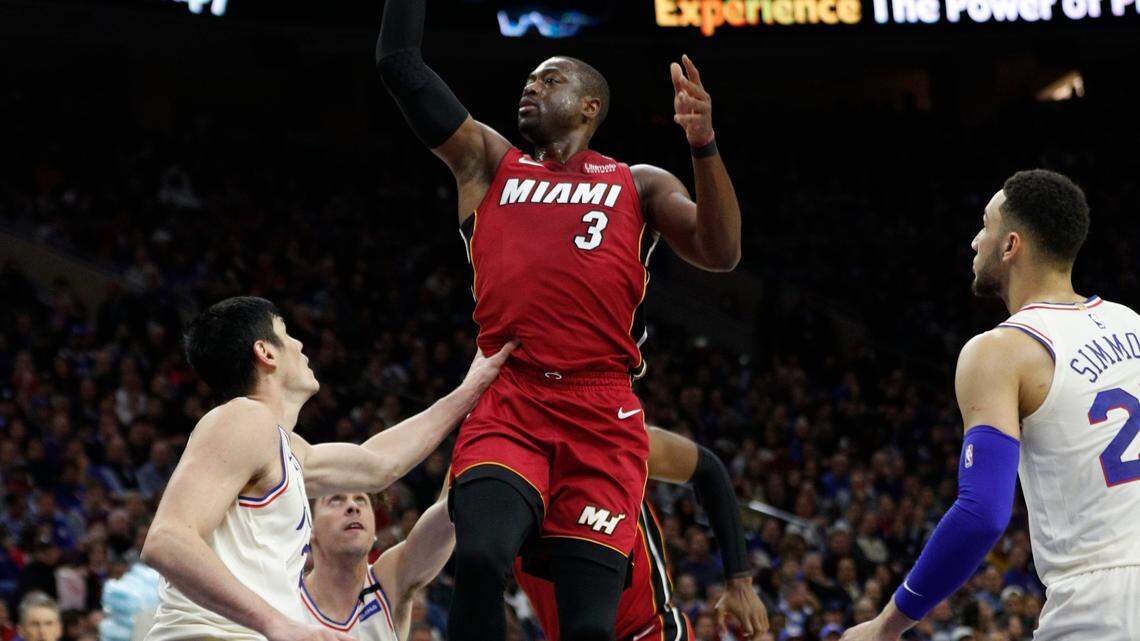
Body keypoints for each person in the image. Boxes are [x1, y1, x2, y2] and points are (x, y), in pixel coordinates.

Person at [376, 1, 743, 639]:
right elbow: (400, 64)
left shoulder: (638, 182)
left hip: (601, 412)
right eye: (529, 79)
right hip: (509, 394)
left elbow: (721, 252)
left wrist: (702, 144)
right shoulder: (489, 163)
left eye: (551, 79)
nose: (531, 86)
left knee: (589, 630)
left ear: (589, 106)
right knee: (484, 556)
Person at [842, 169, 1140, 640]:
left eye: (985, 225)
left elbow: (982, 513)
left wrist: (886, 626)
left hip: (1104, 605)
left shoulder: (1000, 351)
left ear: (1011, 246)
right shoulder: (1130, 322)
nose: (974, 241)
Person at [140, 297, 514, 641]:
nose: (301, 346)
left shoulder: (284, 446)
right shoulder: (243, 418)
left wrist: (470, 391)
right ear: (265, 352)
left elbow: (379, 464)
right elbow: (167, 539)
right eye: (288, 335)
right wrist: (277, 623)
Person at [301, 427, 766, 641]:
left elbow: (707, 469)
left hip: (651, 631)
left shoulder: (615, 433)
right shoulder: (493, 463)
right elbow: (444, 518)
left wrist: (740, 581)